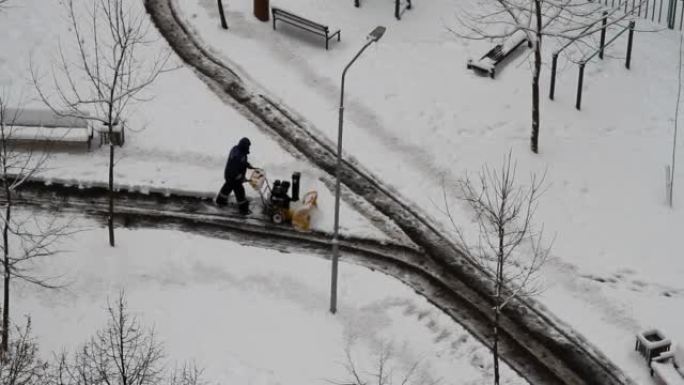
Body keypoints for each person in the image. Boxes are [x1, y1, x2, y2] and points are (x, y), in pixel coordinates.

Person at [215, 137, 256, 214]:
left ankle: (220, 201)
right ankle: (244, 210)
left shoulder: (237, 150)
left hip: (229, 175)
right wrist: (239, 176)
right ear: (244, 145)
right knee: (240, 191)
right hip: (233, 176)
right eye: (248, 146)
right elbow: (234, 166)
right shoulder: (238, 154)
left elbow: (241, 162)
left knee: (227, 187)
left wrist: (247, 165)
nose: (248, 147)